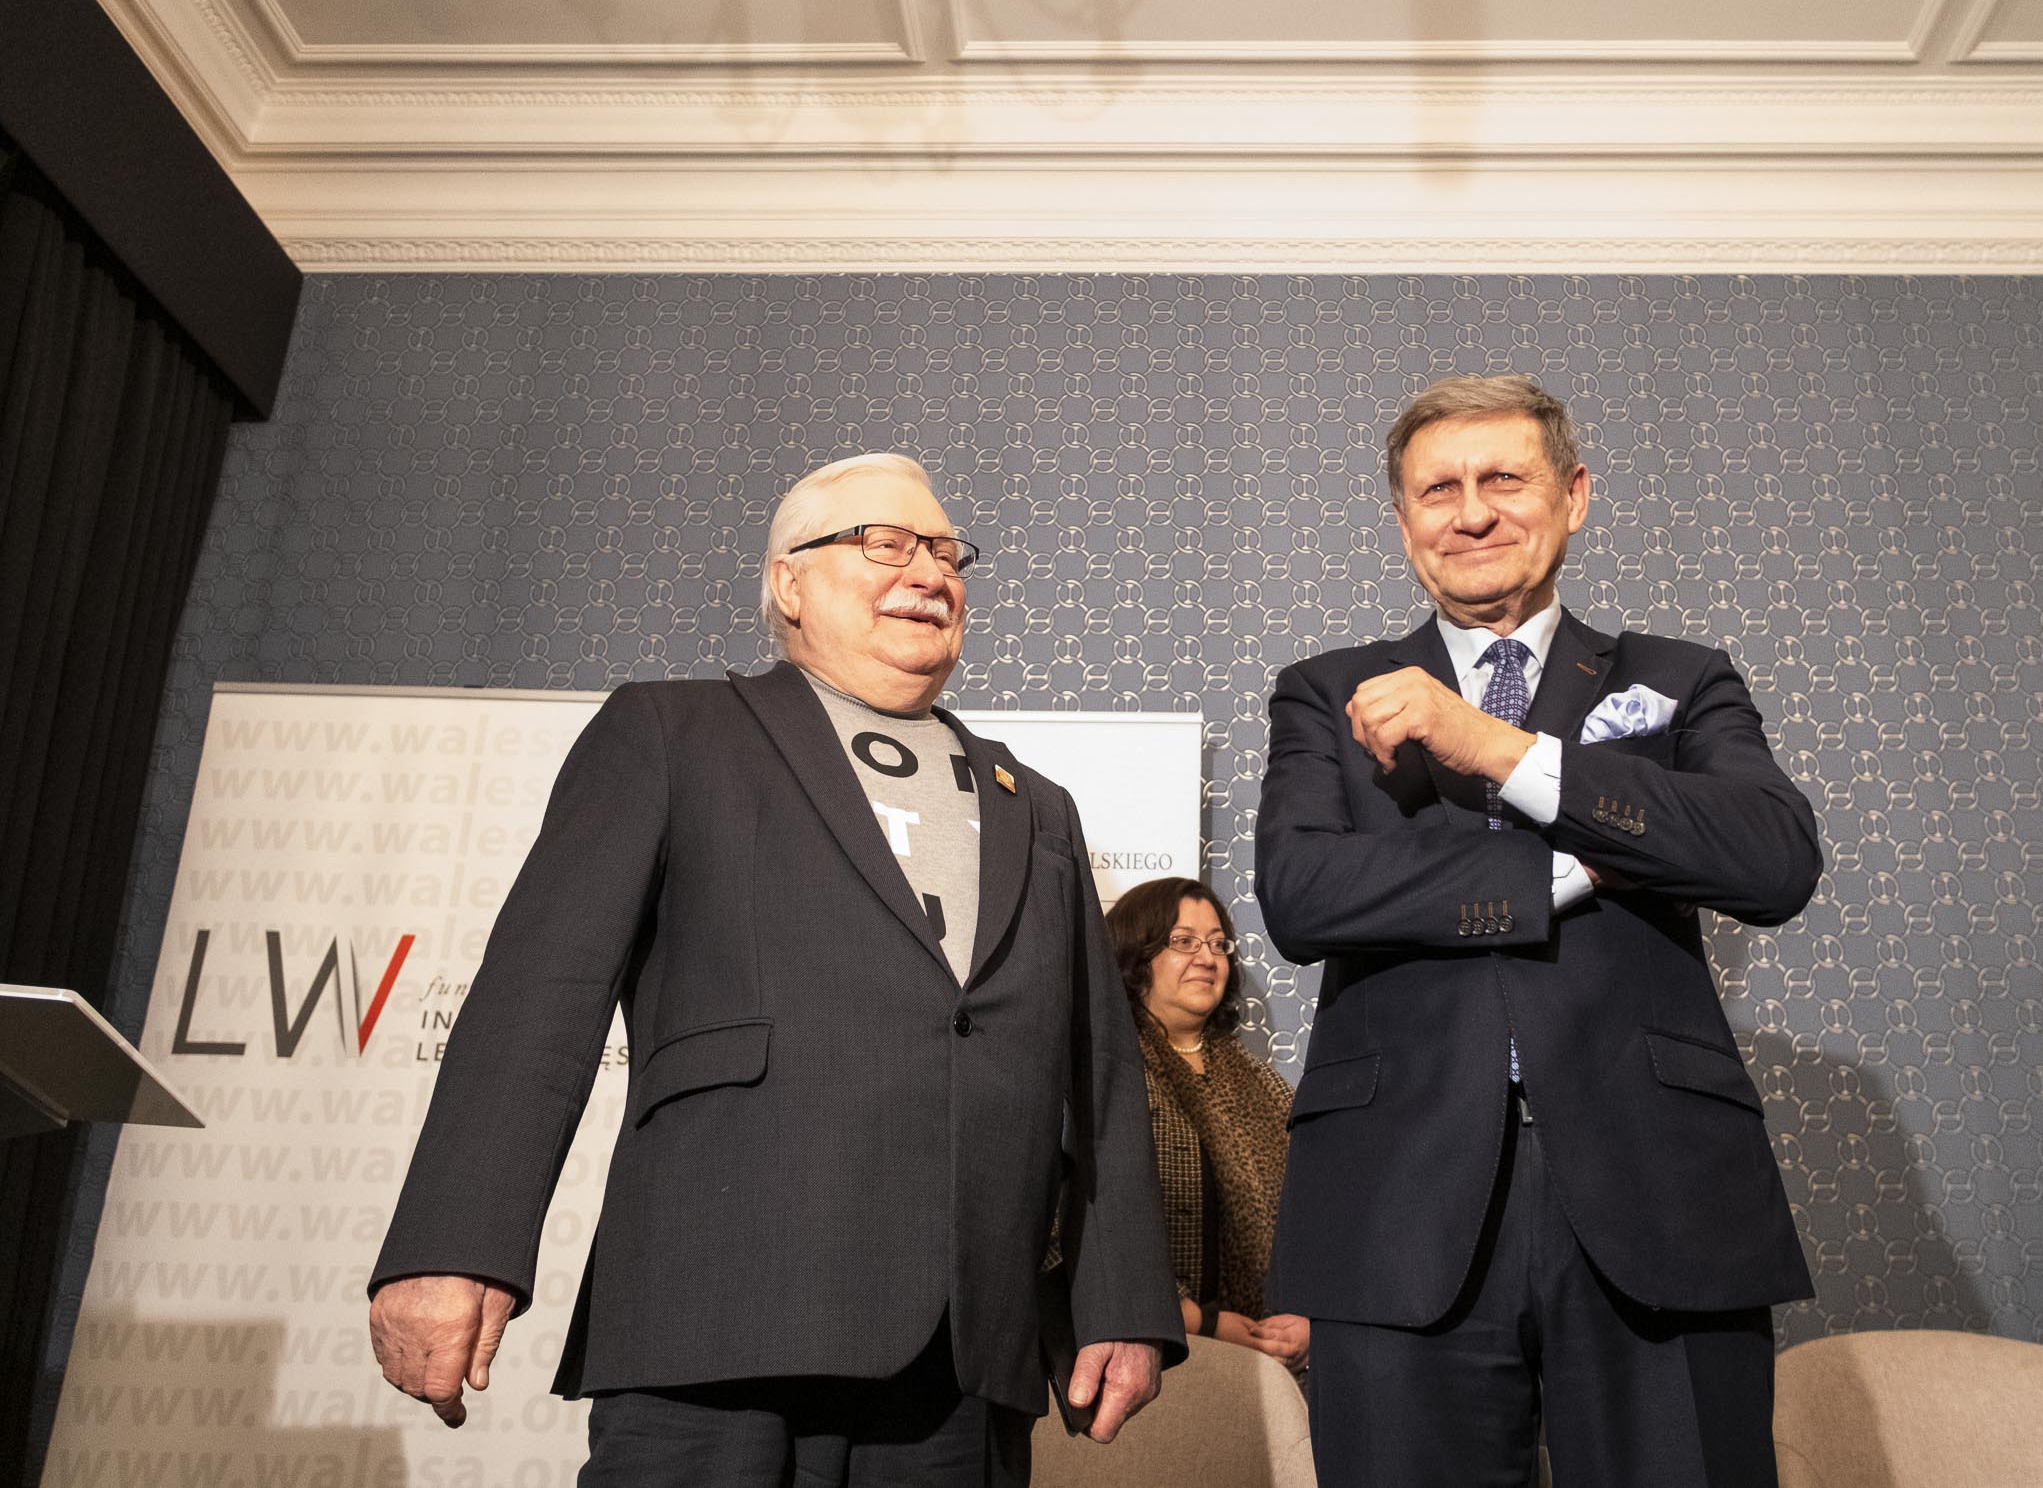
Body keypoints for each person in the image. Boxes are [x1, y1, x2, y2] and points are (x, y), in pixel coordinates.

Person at [366, 452, 1182, 1486]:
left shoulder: (1040, 806)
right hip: (719, 1317)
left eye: (945, 552)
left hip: (964, 1352)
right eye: (884, 543)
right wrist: (453, 1245)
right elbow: (539, 1001)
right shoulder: (671, 732)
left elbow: (1098, 1074)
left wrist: (1120, 1296)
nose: (927, 571)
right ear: (789, 583)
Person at [1256, 375, 1822, 1488]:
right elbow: (1303, 894)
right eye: (1438, 490)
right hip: (1395, 1200)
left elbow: (1770, 860)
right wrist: (1570, 867)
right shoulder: (1325, 691)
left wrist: (1492, 748)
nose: (1471, 513)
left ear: (1573, 496)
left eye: (1504, 479)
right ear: (1403, 521)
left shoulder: (1680, 678)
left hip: (1661, 1190)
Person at [1106, 878, 1308, 1374]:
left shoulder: (1266, 1085)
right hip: (1152, 1360)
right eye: (1183, 941)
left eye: (1218, 944)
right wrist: (1201, 1321)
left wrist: (1310, 1319)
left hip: (1272, 1365)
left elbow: (1320, 1216)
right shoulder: (1105, 1077)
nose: (1207, 958)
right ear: (1135, 958)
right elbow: (1077, 1225)